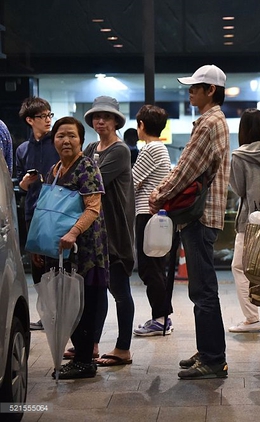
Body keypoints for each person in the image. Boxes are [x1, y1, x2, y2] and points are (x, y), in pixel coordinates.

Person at [149, 64, 230, 380]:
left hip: (199, 215)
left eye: (196, 87)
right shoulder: (215, 121)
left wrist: (159, 193)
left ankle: (212, 358)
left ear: (210, 90)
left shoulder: (208, 124)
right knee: (202, 288)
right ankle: (209, 350)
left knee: (203, 289)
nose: (190, 91)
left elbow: (186, 169)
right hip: (205, 214)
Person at [25, 117, 109, 379]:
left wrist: (73, 232)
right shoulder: (55, 169)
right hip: (59, 251)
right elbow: (46, 211)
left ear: (81, 141)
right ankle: (80, 356)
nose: (66, 141)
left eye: (72, 136)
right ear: (54, 141)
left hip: (85, 251)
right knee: (65, 304)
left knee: (84, 305)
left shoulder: (87, 167)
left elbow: (94, 207)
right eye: (61, 136)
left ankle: (85, 361)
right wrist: (38, 244)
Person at [83, 96, 136, 367]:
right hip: (96, 231)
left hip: (115, 230)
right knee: (97, 290)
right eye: (95, 117)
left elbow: (91, 181)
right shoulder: (91, 147)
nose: (100, 121)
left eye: (106, 117)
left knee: (119, 289)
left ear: (116, 121)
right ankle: (91, 344)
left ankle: (123, 348)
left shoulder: (120, 150)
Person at [228, 108, 260, 333]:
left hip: (248, 219)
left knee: (240, 266)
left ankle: (251, 318)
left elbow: (238, 189)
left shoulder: (238, 156)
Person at [15, 97, 60, 331]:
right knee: (38, 267)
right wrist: (24, 183)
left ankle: (60, 314)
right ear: (30, 120)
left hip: (58, 211)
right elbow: (18, 188)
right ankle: (46, 314)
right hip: (33, 212)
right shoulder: (23, 149)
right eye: (43, 116)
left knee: (59, 264)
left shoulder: (59, 142)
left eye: (50, 115)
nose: (48, 120)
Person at [131, 105, 173, 337]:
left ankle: (161, 318)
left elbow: (132, 181)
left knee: (149, 268)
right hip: (153, 215)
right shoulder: (160, 148)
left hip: (147, 215)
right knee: (155, 267)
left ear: (142, 125)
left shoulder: (151, 149)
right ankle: (162, 316)